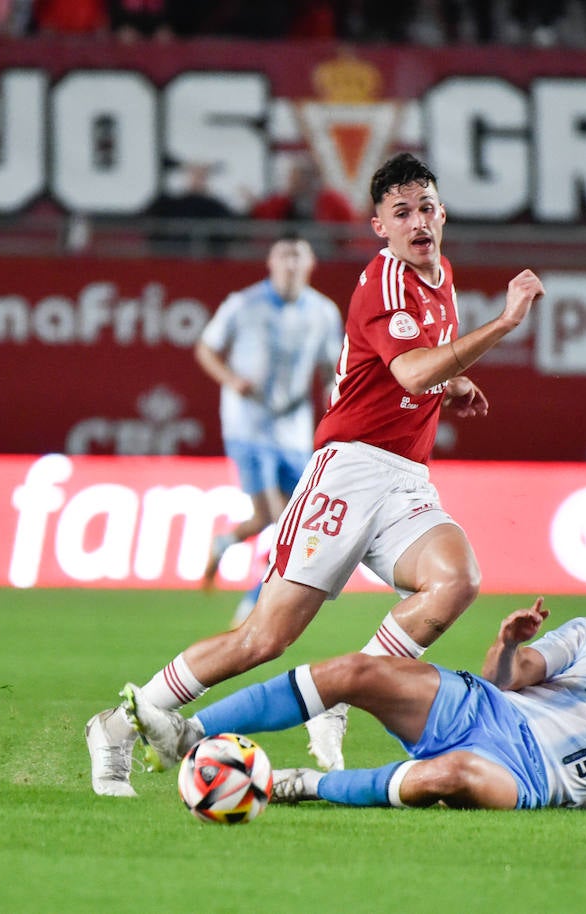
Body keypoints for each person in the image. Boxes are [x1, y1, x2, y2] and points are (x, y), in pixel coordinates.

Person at [86, 151, 545, 797]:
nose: (418, 222)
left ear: (442, 213)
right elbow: (411, 370)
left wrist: (456, 378)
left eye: (426, 208)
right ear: (378, 226)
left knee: (456, 580)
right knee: (265, 637)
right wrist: (504, 323)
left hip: (406, 477)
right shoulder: (384, 281)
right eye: (401, 212)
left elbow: (411, 365)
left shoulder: (438, 275)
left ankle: (347, 689)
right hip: (348, 470)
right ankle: (118, 723)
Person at [125, 545, 586, 815]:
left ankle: (294, 785)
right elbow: (506, 679)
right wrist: (510, 644)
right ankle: (190, 734)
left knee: (450, 776)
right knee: (354, 669)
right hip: (482, 707)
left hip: (532, 773)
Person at [195, 235, 343, 625]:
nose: (291, 264)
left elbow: (331, 367)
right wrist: (232, 380)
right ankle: (252, 605)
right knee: (284, 522)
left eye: (298, 255)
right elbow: (206, 348)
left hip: (294, 432)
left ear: (310, 263)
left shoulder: (324, 311)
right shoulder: (242, 304)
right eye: (284, 255)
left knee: (280, 518)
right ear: (270, 262)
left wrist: (335, 395)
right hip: (249, 428)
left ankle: (225, 542)